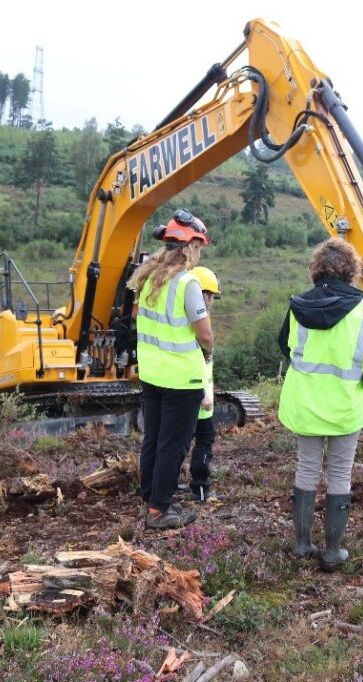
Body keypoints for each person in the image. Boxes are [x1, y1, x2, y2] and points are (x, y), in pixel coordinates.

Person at [277, 239, 363, 571]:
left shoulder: (298, 305)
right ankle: (333, 552)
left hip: (305, 405)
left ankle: (301, 545)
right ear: (352, 270)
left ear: (316, 268)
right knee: (340, 473)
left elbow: (285, 346)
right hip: (344, 406)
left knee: (306, 469)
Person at [128, 209, 212, 530]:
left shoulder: (147, 277)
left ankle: (150, 498)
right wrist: (209, 350)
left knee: (154, 439)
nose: (199, 254)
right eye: (199, 247)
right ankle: (159, 511)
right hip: (182, 378)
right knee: (173, 445)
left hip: (152, 375)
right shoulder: (188, 283)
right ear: (188, 246)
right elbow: (204, 334)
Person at [184, 265, 221, 503]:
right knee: (204, 442)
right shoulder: (198, 325)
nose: (211, 302)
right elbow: (200, 364)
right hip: (197, 398)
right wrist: (204, 394)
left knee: (177, 443)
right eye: (210, 296)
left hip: (186, 395)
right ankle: (200, 489)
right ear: (204, 295)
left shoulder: (184, 317)